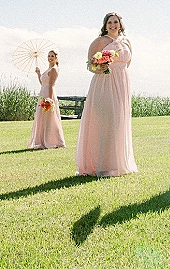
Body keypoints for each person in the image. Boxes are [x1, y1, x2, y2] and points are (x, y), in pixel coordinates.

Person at [76, 12, 137, 177]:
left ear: (120, 24)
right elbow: (90, 66)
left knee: (119, 122)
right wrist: (100, 68)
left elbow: (128, 63)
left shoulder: (127, 42)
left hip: (122, 83)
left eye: (115, 22)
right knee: (106, 122)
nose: (113, 25)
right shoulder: (99, 42)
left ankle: (118, 164)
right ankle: (102, 164)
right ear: (105, 25)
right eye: (109, 22)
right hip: (104, 83)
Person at [28, 49, 66, 149]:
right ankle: (41, 140)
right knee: (42, 118)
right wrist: (39, 73)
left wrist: (49, 100)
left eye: (52, 56)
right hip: (43, 93)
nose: (50, 58)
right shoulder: (48, 69)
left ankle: (53, 141)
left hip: (49, 94)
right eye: (49, 56)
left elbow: (50, 85)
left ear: (56, 58)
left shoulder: (54, 69)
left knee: (50, 118)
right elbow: (43, 83)